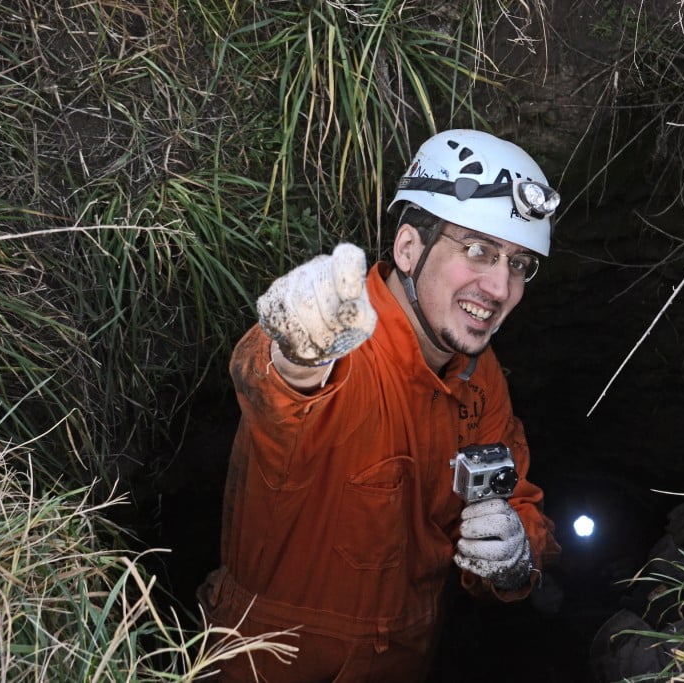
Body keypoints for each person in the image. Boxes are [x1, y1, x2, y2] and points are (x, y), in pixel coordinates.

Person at [200, 129, 563, 682]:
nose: (500, 286)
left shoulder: (480, 376)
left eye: (519, 263)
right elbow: (272, 384)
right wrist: (294, 353)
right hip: (267, 660)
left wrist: (517, 556)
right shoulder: (341, 336)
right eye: (478, 250)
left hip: (402, 659)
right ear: (409, 248)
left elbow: (515, 504)